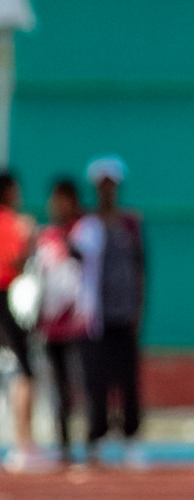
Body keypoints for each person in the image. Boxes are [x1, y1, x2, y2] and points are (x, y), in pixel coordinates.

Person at [80, 156, 147, 465]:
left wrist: (139, 309)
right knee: (97, 378)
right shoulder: (87, 224)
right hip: (95, 316)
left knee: (127, 379)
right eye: (102, 186)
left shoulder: (131, 223)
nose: (108, 191)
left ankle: (131, 435)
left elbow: (141, 267)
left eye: (112, 185)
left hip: (125, 314)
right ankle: (98, 435)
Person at [34, 179, 103, 467]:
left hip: (80, 320)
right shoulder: (45, 234)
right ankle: (63, 446)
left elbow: (85, 257)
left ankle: (92, 443)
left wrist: (64, 237)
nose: (56, 206)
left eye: (62, 200)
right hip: (52, 323)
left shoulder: (87, 228)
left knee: (85, 384)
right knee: (59, 387)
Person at [0, 173, 40, 473]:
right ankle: (23, 444)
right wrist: (30, 239)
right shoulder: (14, 223)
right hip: (7, 299)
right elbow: (17, 260)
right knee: (23, 371)